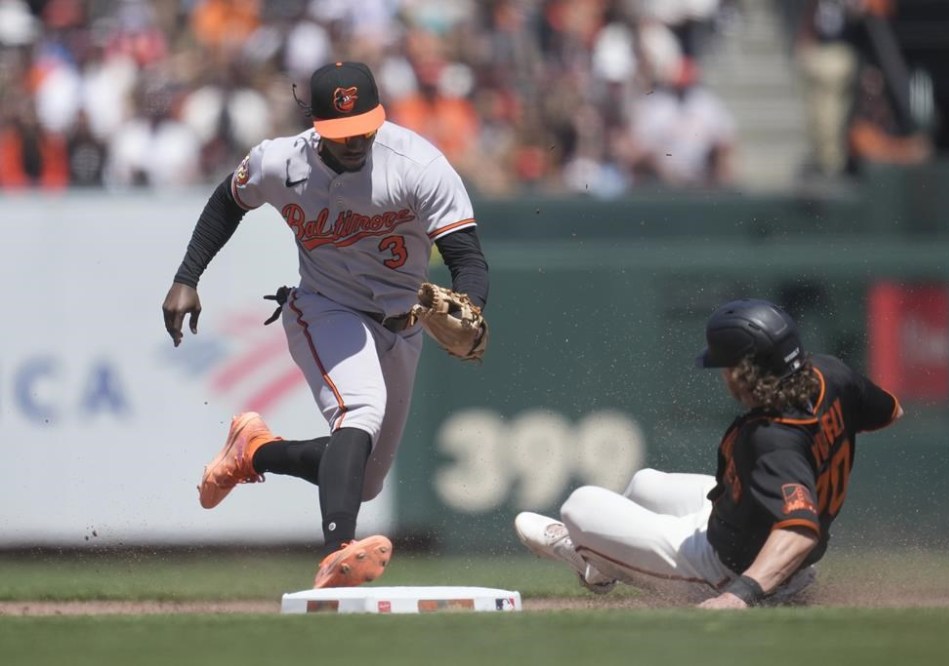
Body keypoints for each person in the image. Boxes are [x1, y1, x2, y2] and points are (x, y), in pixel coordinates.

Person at [161, 61, 490, 588]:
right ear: (316, 125)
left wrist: (471, 304)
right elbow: (228, 200)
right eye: (341, 132)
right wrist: (186, 276)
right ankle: (338, 551)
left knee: (363, 480)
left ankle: (254, 450)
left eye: (364, 125)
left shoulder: (417, 165)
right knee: (361, 410)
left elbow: (466, 257)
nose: (355, 139)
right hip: (325, 307)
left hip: (403, 323)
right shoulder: (279, 162)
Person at [515, 298, 902, 608]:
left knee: (579, 505)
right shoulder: (831, 374)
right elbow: (891, 412)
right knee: (643, 484)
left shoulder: (772, 437)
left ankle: (588, 557)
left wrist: (740, 595)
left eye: (727, 365)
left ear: (747, 371)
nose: (723, 374)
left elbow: (799, 530)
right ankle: (599, 563)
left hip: (726, 568)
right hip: (733, 522)